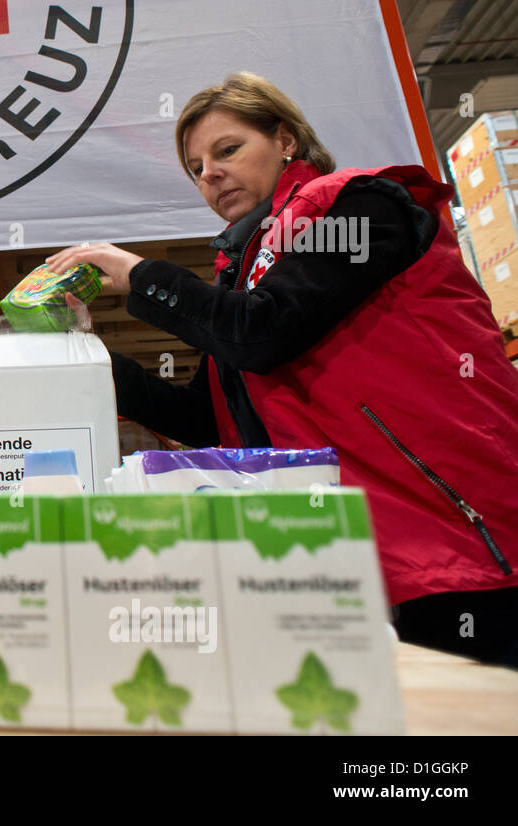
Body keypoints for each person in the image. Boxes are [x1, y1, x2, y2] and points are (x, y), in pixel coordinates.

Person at [46, 72, 518, 666]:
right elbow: (205, 420)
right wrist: (82, 353)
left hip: (451, 537)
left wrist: (140, 275)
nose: (209, 174)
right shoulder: (242, 277)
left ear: (287, 139)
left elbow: (264, 331)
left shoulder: (362, 206)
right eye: (195, 168)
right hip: (339, 555)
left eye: (227, 150)